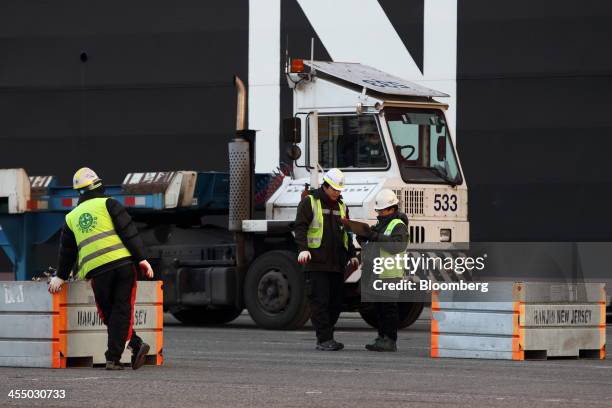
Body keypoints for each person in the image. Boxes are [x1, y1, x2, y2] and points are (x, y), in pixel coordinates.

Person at [48, 167, 154, 370]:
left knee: (109, 313)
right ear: (98, 184)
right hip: (123, 266)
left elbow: (67, 251)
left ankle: (123, 351)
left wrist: (60, 276)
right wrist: (142, 258)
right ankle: (130, 348)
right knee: (121, 311)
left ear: (78, 191)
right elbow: (129, 232)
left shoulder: (71, 217)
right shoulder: (109, 204)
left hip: (97, 272)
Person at [294, 168, 359, 351]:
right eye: (335, 189)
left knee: (336, 303)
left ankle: (328, 336)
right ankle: (324, 339)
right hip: (316, 263)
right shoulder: (310, 202)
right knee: (320, 302)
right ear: (326, 186)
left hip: (337, 263)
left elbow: (347, 233)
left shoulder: (342, 206)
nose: (337, 192)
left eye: (340, 190)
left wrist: (352, 254)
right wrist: (303, 249)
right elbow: (300, 228)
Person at [356, 189, 408, 352]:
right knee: (379, 308)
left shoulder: (398, 225)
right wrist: (363, 236)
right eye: (378, 210)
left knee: (388, 308)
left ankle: (390, 340)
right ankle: (381, 337)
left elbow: (397, 246)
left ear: (392, 208)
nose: (379, 213)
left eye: (382, 210)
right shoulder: (381, 224)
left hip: (390, 273)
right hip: (378, 272)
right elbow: (374, 242)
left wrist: (374, 236)